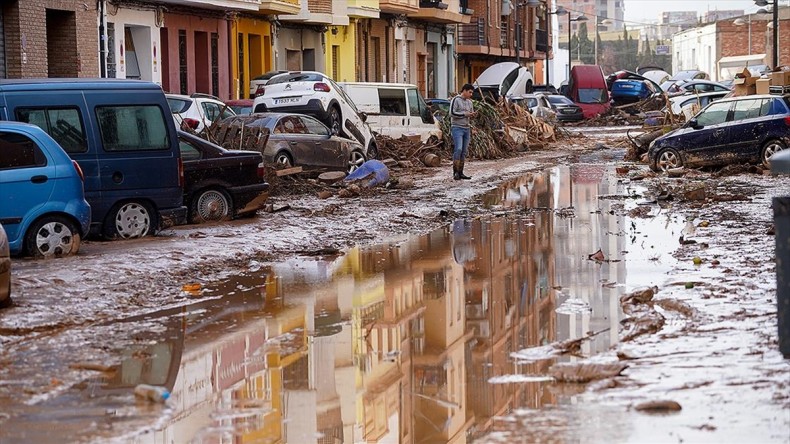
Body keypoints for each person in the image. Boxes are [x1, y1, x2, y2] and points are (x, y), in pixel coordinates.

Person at [450, 83, 477, 180]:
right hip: (457, 127)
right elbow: (452, 113)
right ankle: (455, 172)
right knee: (459, 149)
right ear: (464, 91)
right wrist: (464, 114)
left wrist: (473, 124)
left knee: (464, 151)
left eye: (471, 93)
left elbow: (470, 115)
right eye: (469, 92)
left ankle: (461, 172)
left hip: (467, 128)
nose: (471, 94)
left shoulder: (470, 102)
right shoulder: (456, 100)